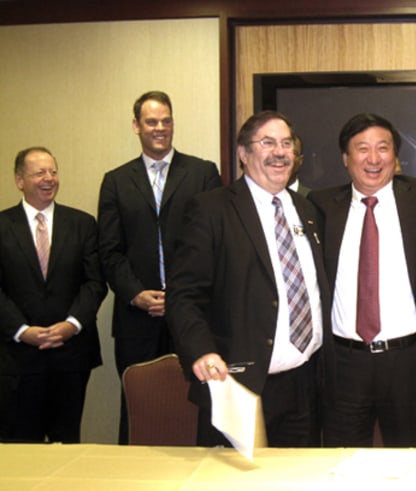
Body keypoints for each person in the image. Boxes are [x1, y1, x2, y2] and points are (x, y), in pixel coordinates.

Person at [166, 111, 329, 447]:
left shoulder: (308, 211)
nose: (280, 152)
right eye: (267, 142)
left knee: (298, 480)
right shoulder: (211, 210)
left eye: (286, 143)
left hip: (305, 384)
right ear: (243, 153)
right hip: (238, 384)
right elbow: (183, 295)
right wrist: (200, 351)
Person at [309, 113, 416, 447]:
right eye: (362, 149)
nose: (373, 158)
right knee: (343, 464)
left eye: (383, 148)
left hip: (409, 363)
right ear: (345, 159)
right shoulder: (320, 206)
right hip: (344, 364)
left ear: (395, 156)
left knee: (413, 464)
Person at [97, 90, 222, 444]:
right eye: (152, 121)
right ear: (137, 126)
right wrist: (135, 293)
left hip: (192, 314)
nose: (160, 128)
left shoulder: (203, 173)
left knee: (200, 405)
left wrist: (179, 296)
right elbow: (109, 250)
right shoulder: (116, 181)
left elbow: (213, 246)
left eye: (166, 120)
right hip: (137, 318)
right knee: (140, 407)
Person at [0, 147, 106, 443]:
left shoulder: (82, 224)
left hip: (71, 356)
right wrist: (23, 331)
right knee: (21, 449)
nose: (49, 179)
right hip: (16, 358)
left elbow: (95, 283)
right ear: (20, 180)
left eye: (53, 172)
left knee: (67, 443)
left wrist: (71, 325)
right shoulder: (2, 226)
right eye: (39, 173)